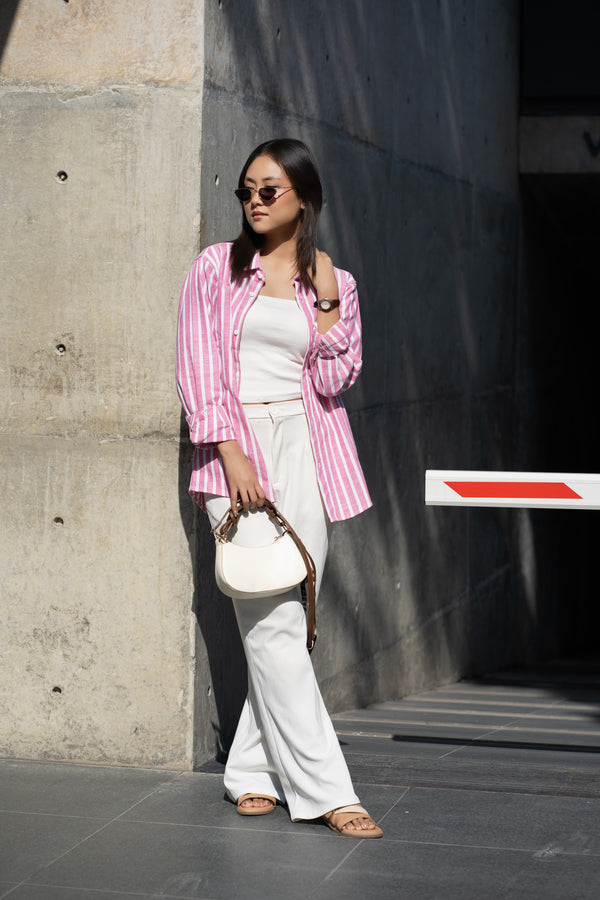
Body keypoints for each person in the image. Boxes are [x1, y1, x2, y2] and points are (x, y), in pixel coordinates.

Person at [176, 138, 382, 838]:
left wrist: (325, 298)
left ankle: (251, 771)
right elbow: (198, 366)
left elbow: (333, 381)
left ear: (303, 197)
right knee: (271, 620)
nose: (254, 201)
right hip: (237, 450)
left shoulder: (336, 281)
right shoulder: (215, 269)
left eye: (269, 189)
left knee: (291, 620)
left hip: (309, 451)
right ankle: (329, 790)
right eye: (246, 191)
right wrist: (232, 455)